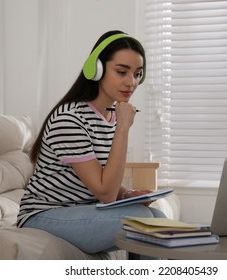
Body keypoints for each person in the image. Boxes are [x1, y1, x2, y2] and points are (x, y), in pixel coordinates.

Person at [17, 30, 166, 254]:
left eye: (137, 74)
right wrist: (123, 129)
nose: (131, 82)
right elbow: (105, 193)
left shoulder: (111, 115)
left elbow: (99, 176)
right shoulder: (69, 119)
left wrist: (126, 194)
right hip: (44, 215)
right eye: (122, 72)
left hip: (82, 210)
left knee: (158, 218)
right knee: (142, 219)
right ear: (95, 69)